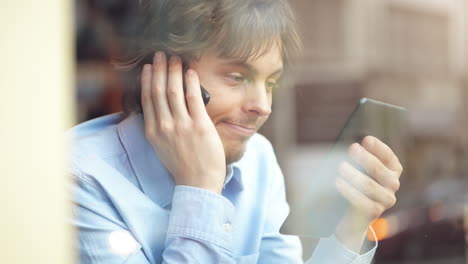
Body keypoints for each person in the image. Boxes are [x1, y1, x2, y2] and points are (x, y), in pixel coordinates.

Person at [69, 0, 403, 263]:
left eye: (270, 83)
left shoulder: (258, 159)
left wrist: (352, 227)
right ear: (163, 76)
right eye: (237, 77)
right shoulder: (80, 178)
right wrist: (201, 188)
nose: (263, 105)